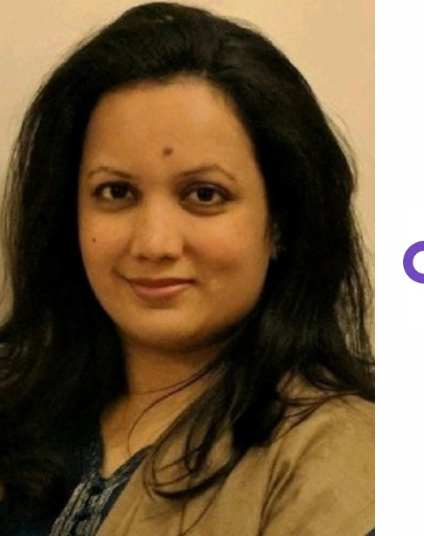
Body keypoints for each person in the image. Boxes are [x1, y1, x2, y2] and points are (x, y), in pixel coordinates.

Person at [0, 2, 374, 535]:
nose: (154, 243)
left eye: (204, 195)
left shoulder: (334, 457)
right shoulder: (25, 412)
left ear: (280, 222)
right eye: (116, 192)